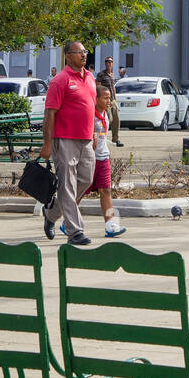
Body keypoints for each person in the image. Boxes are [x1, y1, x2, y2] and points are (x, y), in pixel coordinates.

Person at [40, 40, 96, 246]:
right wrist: (47, 144)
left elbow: (91, 109)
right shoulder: (60, 80)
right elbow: (49, 114)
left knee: (86, 180)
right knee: (67, 185)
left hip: (87, 140)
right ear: (67, 56)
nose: (83, 55)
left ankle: (51, 213)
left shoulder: (89, 77)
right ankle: (75, 231)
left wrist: (95, 134)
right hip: (64, 140)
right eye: (79, 52)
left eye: (85, 51)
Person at [58, 84, 126, 239]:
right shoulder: (89, 114)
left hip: (103, 158)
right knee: (80, 192)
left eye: (110, 98)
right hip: (89, 159)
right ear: (95, 99)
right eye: (105, 98)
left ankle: (110, 225)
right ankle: (69, 221)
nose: (109, 101)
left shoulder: (105, 114)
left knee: (106, 190)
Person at [95, 55, 120, 147]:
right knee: (108, 119)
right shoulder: (101, 74)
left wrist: (115, 100)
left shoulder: (112, 75)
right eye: (107, 61)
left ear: (112, 64)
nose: (108, 63)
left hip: (112, 100)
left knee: (116, 120)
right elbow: (97, 87)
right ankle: (102, 138)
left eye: (110, 62)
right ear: (105, 63)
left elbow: (113, 87)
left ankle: (116, 139)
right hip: (104, 100)